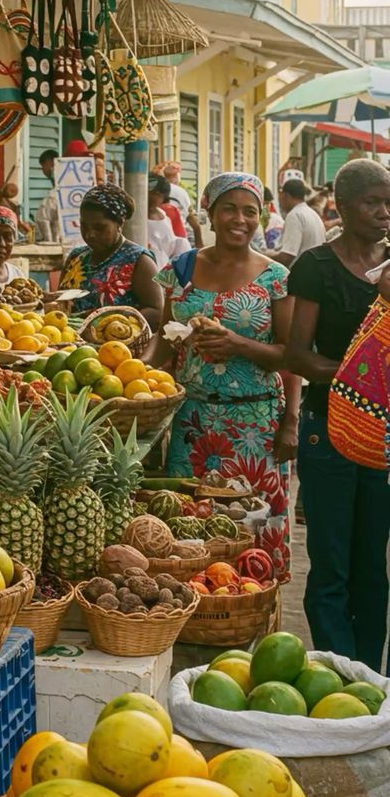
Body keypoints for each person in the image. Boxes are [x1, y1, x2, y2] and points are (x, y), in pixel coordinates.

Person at [148, 172, 298, 581]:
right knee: (191, 527)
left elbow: (289, 355)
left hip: (255, 426)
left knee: (251, 529)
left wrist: (291, 423)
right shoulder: (181, 269)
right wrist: (133, 379)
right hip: (192, 422)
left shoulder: (276, 278)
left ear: (260, 219)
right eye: (229, 208)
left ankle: (253, 614)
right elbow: (163, 340)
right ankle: (199, 618)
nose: (240, 219)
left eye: (250, 211)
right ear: (210, 213)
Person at [285, 157, 390, 669]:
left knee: (373, 565)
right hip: (326, 431)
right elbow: (297, 355)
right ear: (342, 207)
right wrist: (360, 378)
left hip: (381, 438)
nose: (384, 213)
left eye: (389, 202)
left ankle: (371, 681)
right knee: (331, 565)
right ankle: (339, 675)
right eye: (373, 202)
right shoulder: (316, 268)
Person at [58, 184, 163, 324]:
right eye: (84, 226)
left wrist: (106, 322)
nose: (90, 235)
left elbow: (156, 311)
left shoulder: (138, 260)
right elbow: (60, 301)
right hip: (69, 342)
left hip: (117, 344)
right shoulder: (76, 257)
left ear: (119, 223)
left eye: (99, 228)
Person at [274, 178, 326, 267]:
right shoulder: (312, 214)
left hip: (301, 275)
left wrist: (261, 257)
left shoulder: (295, 215)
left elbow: (287, 257)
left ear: (285, 195)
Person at [147, 175, 191, 271]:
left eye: (155, 193)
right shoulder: (133, 218)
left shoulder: (167, 215)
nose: (147, 195)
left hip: (161, 272)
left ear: (162, 197)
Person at [155, 161, 203, 247]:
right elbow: (190, 215)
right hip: (178, 235)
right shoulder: (181, 192)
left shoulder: (152, 190)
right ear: (177, 176)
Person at [34, 149, 60, 243]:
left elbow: (43, 220)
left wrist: (48, 241)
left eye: (43, 165)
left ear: (49, 163)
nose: (42, 169)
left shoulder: (53, 195)